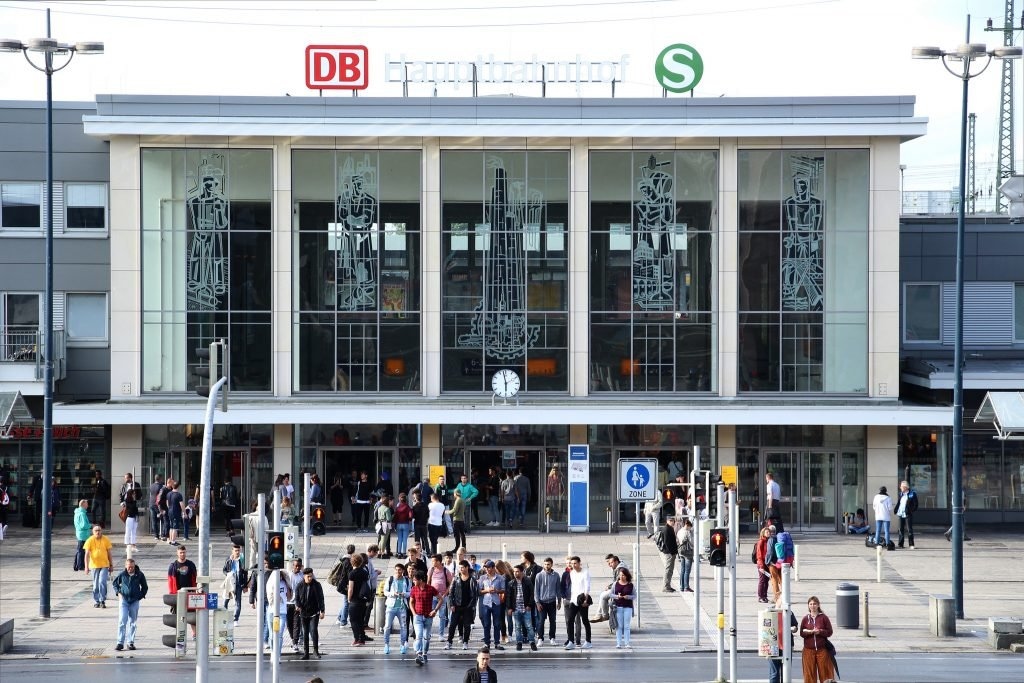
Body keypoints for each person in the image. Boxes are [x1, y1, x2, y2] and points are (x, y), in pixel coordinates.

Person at [112, 557, 148, 651]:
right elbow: (115, 584)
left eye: (132, 567)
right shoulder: (122, 574)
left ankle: (130, 642)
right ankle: (120, 642)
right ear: (125, 566)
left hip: (134, 601)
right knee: (122, 621)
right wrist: (118, 593)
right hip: (124, 600)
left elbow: (145, 587)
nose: (130, 569)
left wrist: (140, 596)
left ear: (134, 566)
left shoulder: (139, 575)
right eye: (128, 567)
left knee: (133, 622)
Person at [800, 596, 836, 683]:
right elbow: (801, 633)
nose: (812, 606)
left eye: (814, 604)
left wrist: (820, 631)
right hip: (808, 650)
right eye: (811, 604)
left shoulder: (823, 618)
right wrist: (809, 632)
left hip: (822, 649)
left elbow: (829, 632)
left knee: (825, 673)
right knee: (809, 674)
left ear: (818, 605)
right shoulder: (805, 618)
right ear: (808, 606)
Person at [409, 570, 440, 665]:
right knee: (419, 636)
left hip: (428, 616)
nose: (414, 582)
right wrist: (414, 613)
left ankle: (424, 653)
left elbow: (441, 599)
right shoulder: (414, 589)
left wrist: (435, 610)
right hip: (418, 616)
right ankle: (419, 654)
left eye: (415, 580)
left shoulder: (431, 589)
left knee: (426, 637)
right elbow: (411, 602)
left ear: (421, 580)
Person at [446, 559, 479, 650]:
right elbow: (451, 593)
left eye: (463, 567)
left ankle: (465, 642)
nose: (461, 569)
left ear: (467, 567)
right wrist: (452, 604)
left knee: (467, 625)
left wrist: (471, 606)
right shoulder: (456, 578)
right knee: (452, 625)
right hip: (456, 606)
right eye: (460, 568)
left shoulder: (472, 579)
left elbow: (475, 595)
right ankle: (449, 642)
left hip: (468, 606)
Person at [294, 567, 325, 659]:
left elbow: (321, 598)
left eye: (311, 576)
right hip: (303, 613)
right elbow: (297, 598)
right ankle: (306, 653)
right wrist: (298, 605)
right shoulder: (299, 585)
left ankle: (315, 651)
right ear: (304, 576)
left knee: (313, 630)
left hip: (314, 613)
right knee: (305, 632)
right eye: (308, 576)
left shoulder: (317, 585)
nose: (310, 578)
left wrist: (322, 611)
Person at [768, 597, 799, 683]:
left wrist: (793, 628)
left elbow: (795, 626)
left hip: (786, 644)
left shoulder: (789, 612)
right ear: (777, 601)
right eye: (781, 601)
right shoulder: (770, 612)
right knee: (774, 673)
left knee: (786, 671)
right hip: (773, 644)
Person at [564, 556, 592, 650]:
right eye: (572, 563)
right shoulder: (571, 573)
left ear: (580, 563)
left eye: (575, 563)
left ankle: (588, 641)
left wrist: (585, 599)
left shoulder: (585, 572)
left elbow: (587, 586)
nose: (573, 565)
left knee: (585, 620)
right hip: (574, 600)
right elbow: (573, 587)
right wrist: (572, 599)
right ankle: (571, 641)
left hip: (583, 599)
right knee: (570, 620)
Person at [382, 563, 411, 655]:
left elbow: (410, 592)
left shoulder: (406, 580)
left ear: (403, 571)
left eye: (400, 570)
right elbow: (385, 592)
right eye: (396, 570)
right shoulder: (390, 579)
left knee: (403, 626)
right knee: (387, 626)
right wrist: (392, 594)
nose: (398, 572)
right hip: (391, 606)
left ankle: (402, 644)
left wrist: (404, 594)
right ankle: (386, 644)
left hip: (402, 606)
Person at [591, 553, 628, 624]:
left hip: (620, 589)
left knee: (603, 596)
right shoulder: (618, 567)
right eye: (608, 562)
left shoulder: (620, 569)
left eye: (610, 562)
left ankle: (605, 615)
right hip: (619, 588)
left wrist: (609, 587)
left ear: (616, 561)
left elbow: (618, 581)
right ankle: (599, 615)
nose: (609, 564)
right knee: (603, 595)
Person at [84, 524, 114, 608]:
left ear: (101, 531)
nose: (97, 532)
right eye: (96, 531)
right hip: (94, 566)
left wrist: (111, 565)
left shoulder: (106, 539)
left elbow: (109, 553)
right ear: (93, 532)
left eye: (99, 530)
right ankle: (97, 600)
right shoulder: (89, 540)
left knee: (102, 582)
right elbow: (86, 554)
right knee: (96, 584)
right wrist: (86, 567)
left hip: (104, 565)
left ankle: (102, 600)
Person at [478, 560, 506, 650]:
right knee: (486, 624)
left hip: (496, 603)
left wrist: (497, 591)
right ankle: (487, 643)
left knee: (497, 624)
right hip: (486, 603)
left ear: (493, 568)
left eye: (489, 567)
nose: (487, 569)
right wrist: (487, 590)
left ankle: (497, 643)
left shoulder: (500, 578)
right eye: (486, 567)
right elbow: (479, 591)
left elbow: (504, 589)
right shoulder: (482, 578)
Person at [346, 552, 372, 646]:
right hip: (363, 599)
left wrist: (349, 599)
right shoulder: (364, 572)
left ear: (352, 562)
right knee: (361, 620)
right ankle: (362, 638)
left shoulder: (352, 574)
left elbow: (351, 588)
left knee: (353, 620)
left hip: (355, 600)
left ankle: (357, 639)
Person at [534, 556, 560, 645]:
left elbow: (558, 589)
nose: (546, 566)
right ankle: (540, 638)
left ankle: (552, 638)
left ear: (551, 565)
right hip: (542, 602)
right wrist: (537, 602)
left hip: (552, 602)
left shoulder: (556, 575)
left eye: (548, 564)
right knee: (541, 621)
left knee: (553, 621)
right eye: (545, 564)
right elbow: (536, 590)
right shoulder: (539, 575)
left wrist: (559, 601)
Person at [222, 544, 248, 625]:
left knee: (238, 601)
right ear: (232, 551)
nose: (237, 552)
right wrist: (228, 574)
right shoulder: (228, 560)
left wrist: (245, 585)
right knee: (226, 600)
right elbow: (224, 570)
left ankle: (235, 619)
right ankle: (224, 616)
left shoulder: (242, 560)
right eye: (235, 551)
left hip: (239, 583)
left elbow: (245, 572)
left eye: (238, 551)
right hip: (230, 582)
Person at [612, 566, 636, 649]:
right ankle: (618, 643)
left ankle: (627, 643)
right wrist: (616, 596)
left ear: (626, 576)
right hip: (618, 607)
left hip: (628, 607)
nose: (621, 577)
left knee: (626, 626)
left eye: (623, 575)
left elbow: (634, 596)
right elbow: (610, 594)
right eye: (620, 575)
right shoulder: (615, 584)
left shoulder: (630, 585)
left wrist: (628, 597)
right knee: (619, 626)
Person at [655, 517, 678, 592]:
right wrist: (672, 553)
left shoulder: (670, 528)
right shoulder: (666, 529)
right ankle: (666, 586)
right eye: (671, 521)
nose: (673, 522)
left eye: (673, 521)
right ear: (667, 521)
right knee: (668, 570)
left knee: (670, 570)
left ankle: (668, 585)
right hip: (669, 553)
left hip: (671, 552)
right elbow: (667, 542)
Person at [895, 480, 918, 549]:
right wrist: (896, 509)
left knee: (909, 530)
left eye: (901, 487)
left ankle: (911, 544)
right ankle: (900, 544)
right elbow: (899, 503)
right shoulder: (901, 494)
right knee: (900, 529)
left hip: (907, 514)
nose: (900, 488)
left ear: (905, 487)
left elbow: (915, 504)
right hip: (900, 513)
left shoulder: (912, 494)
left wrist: (911, 510)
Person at [677, 517, 695, 592]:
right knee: (687, 570)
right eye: (690, 527)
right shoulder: (687, 532)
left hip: (681, 551)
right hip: (688, 552)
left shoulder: (679, 531)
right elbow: (692, 542)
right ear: (688, 525)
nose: (690, 528)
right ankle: (686, 587)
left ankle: (681, 586)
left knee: (682, 570)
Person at [755, 526, 772, 603]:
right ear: (763, 533)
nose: (768, 533)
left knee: (766, 580)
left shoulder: (769, 541)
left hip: (767, 563)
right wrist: (761, 566)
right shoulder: (761, 542)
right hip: (761, 563)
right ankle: (760, 596)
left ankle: (764, 595)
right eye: (767, 532)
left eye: (769, 532)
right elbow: (759, 555)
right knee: (762, 580)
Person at [73, 499, 91, 572]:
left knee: (79, 550)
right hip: (83, 535)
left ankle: (77, 565)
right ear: (83, 504)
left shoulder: (78, 512)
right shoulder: (82, 514)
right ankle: (80, 565)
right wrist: (91, 525)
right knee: (81, 551)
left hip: (80, 534)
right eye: (86, 504)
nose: (88, 505)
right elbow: (84, 525)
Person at [165, 480, 185, 546]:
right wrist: (184, 512)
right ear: (178, 486)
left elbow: (167, 503)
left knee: (171, 527)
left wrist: (169, 508)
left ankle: (171, 540)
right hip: (176, 512)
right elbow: (181, 504)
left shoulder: (169, 494)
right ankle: (173, 541)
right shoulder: (179, 495)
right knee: (175, 527)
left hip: (170, 511)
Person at [393, 492, 413, 558]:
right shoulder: (408, 507)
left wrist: (395, 524)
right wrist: (408, 519)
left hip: (398, 524)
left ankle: (398, 553)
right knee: (405, 539)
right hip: (405, 524)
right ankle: (404, 553)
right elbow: (411, 516)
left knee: (399, 539)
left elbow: (395, 517)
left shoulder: (397, 507)